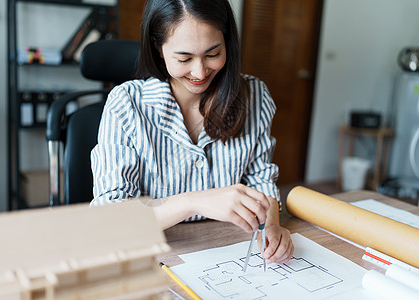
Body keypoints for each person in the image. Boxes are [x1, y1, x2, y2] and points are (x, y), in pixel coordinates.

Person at [90, 0, 294, 264]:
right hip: (153, 256)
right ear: (158, 47)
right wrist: (195, 201)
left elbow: (261, 179)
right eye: (184, 58)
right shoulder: (126, 103)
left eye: (212, 54)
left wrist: (272, 228)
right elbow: (110, 217)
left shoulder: (254, 95)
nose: (200, 71)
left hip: (226, 249)